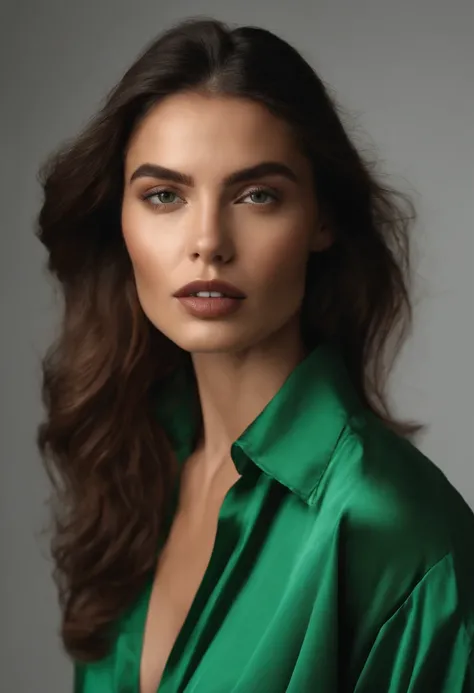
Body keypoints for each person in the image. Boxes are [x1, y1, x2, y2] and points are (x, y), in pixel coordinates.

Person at [35, 16, 474, 693]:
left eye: (256, 194)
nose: (208, 240)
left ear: (321, 220)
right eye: (164, 196)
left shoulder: (399, 532)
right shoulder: (135, 470)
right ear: (117, 220)